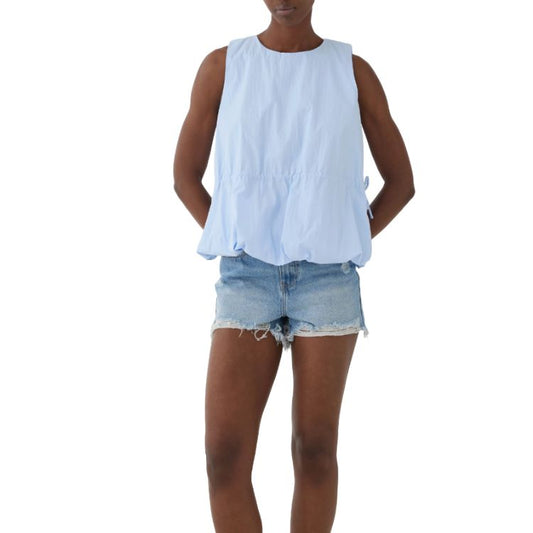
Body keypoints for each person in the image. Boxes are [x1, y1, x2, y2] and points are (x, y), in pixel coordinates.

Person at [173, 1, 415, 531]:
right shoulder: (223, 66)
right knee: (223, 455)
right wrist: (232, 234)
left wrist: (344, 237)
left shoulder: (351, 71)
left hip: (327, 281)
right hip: (246, 277)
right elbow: (184, 176)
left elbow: (402, 182)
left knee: (315, 448)